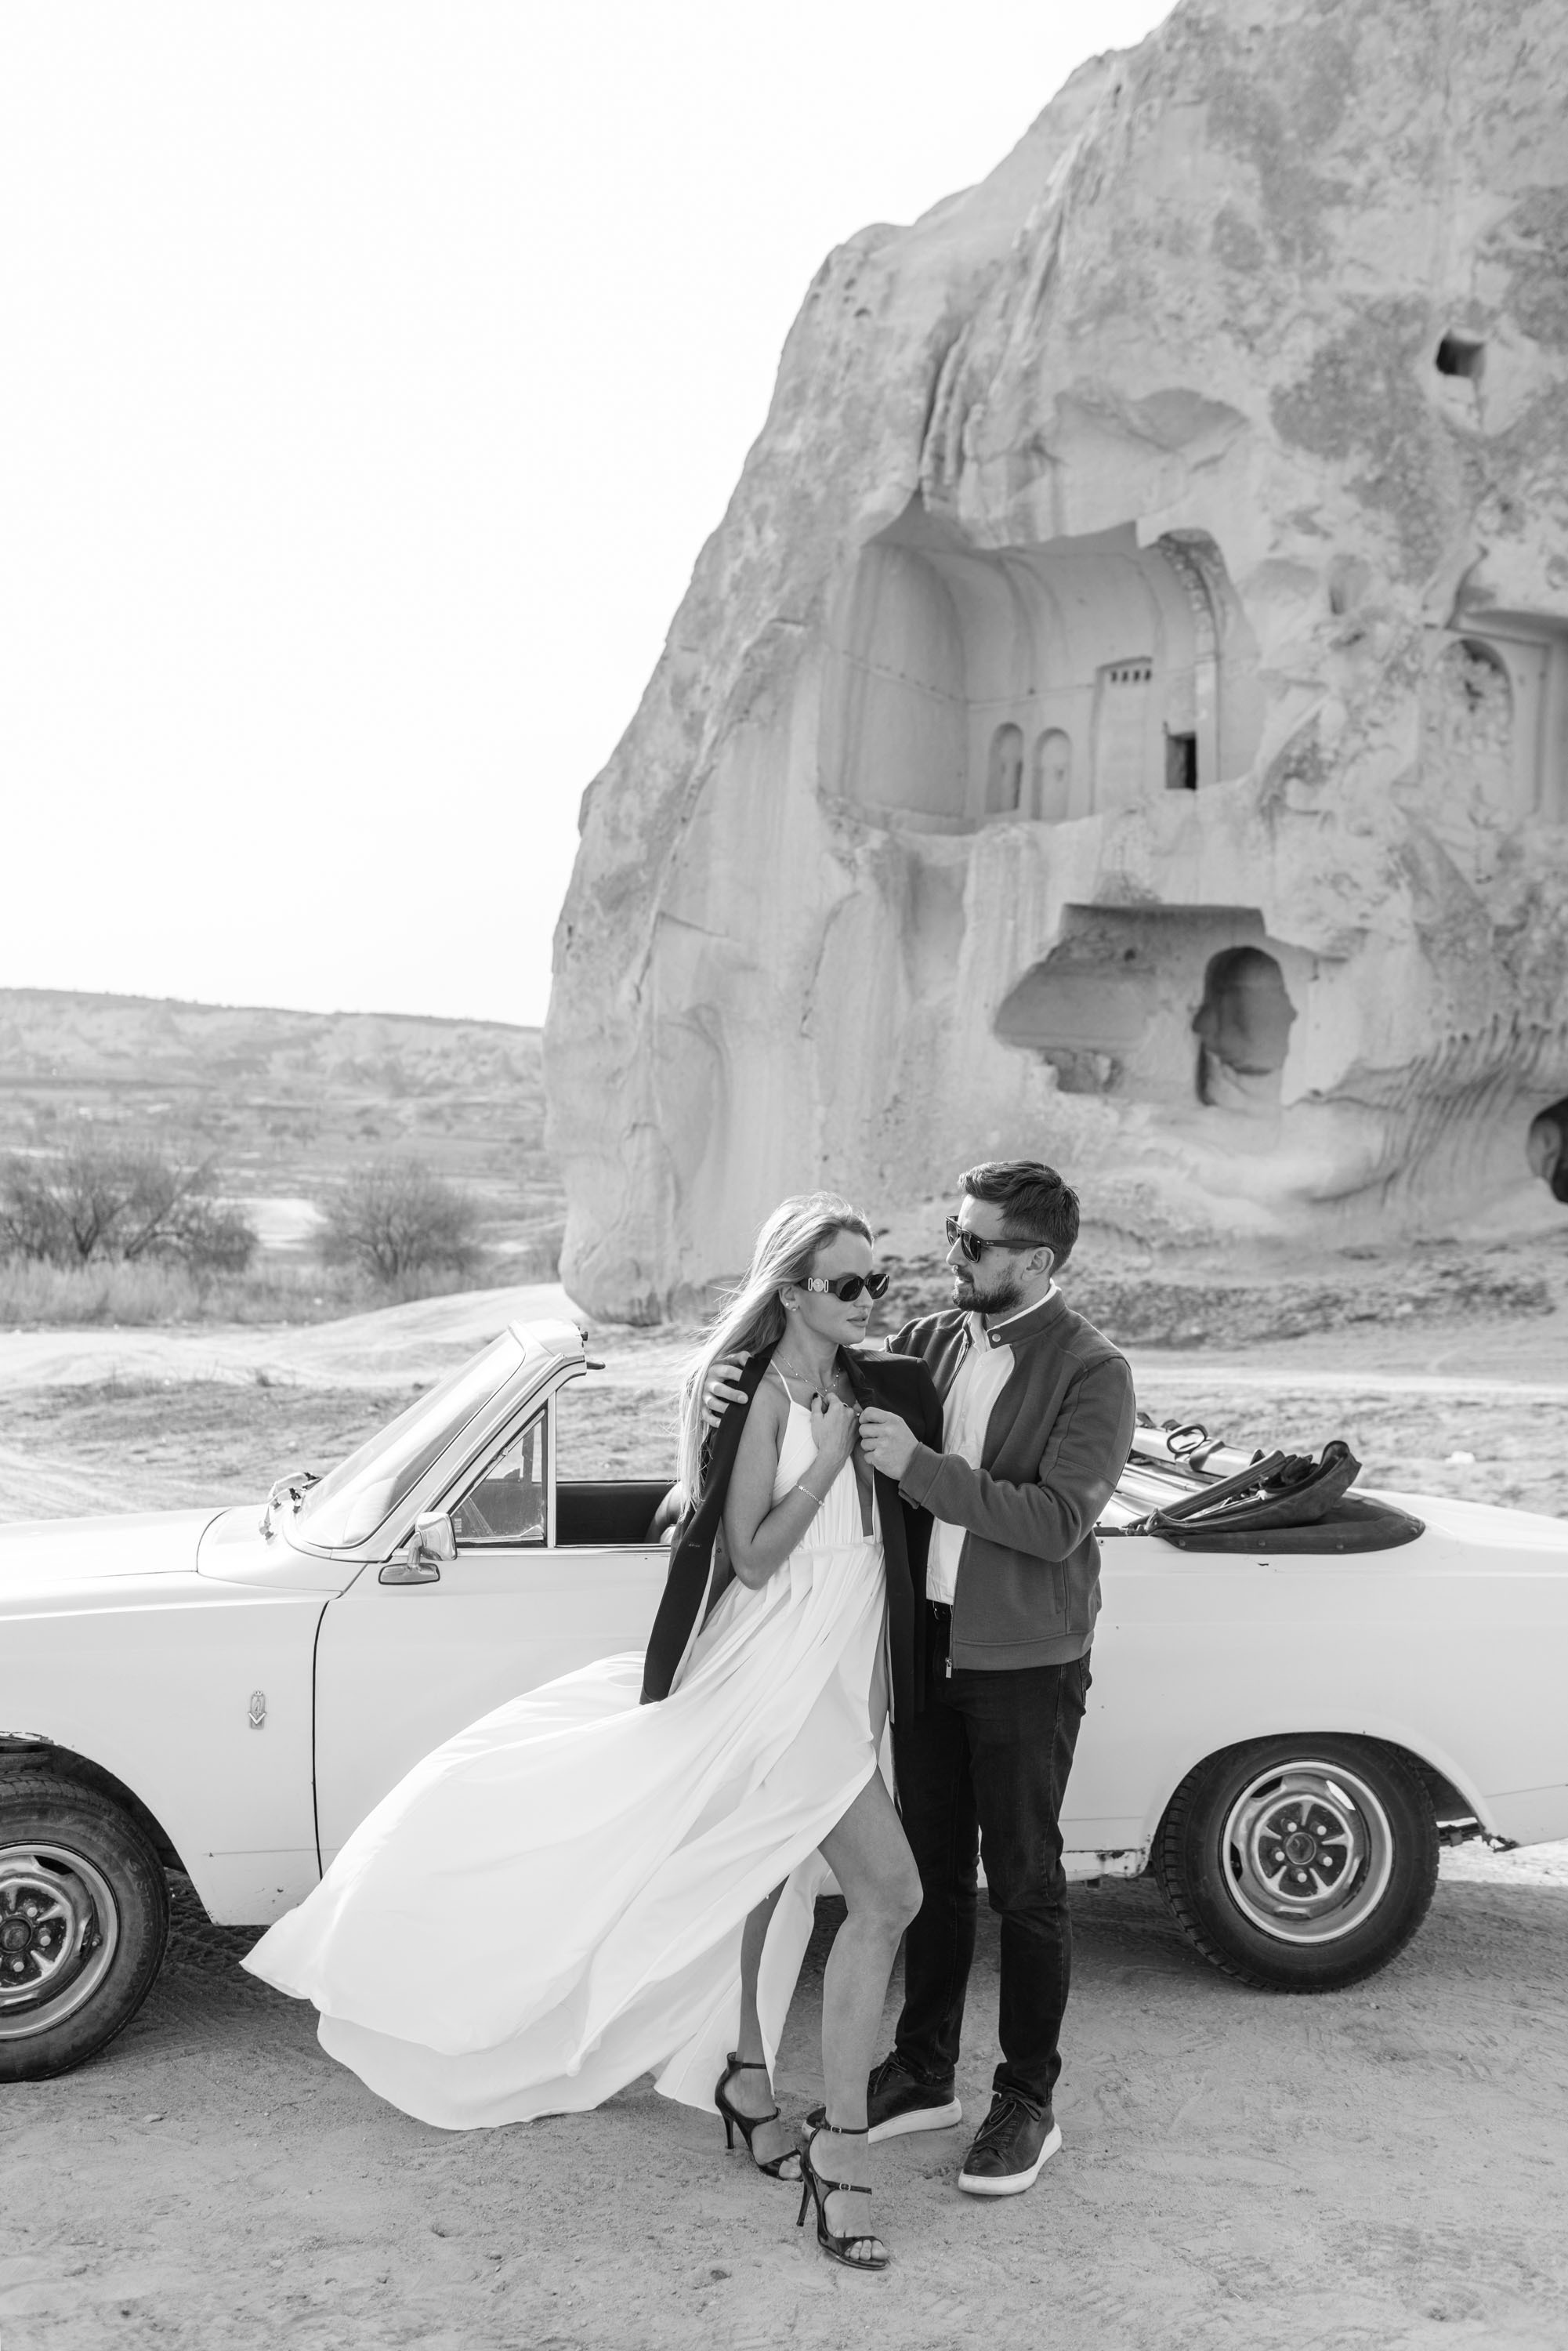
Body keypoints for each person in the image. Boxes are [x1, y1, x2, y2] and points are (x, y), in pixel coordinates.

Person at [244, 1193, 942, 2273]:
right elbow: (750, 1557)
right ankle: (839, 2158)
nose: (868, 1301)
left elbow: (903, 1437)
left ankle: (748, 2083)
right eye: (845, 1284)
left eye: (876, 1282)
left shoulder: (860, 1380)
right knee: (888, 1894)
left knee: (771, 1871)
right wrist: (823, 1457)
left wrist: (857, 1436)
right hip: (777, 1671)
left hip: (838, 1669)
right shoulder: (758, 1392)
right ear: (791, 1291)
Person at [704, 1161, 1135, 2198]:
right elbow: (814, 1358)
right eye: (953, 1232)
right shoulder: (935, 1342)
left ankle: (1025, 2102)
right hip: (926, 1653)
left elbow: (1056, 1520)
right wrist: (721, 1379)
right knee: (932, 1869)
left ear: (1033, 1261)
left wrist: (922, 1472)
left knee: (1026, 1884)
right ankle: (923, 2072)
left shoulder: (1092, 1370)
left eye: (974, 1244)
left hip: (1026, 1659)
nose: (953, 1255)